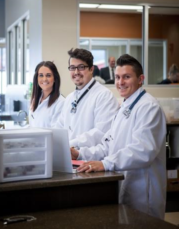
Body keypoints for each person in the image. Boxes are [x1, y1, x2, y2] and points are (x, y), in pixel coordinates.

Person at [71, 54, 166, 220]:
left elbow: (143, 151)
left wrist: (106, 163)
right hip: (126, 184)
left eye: (127, 77)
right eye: (117, 77)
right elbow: (108, 144)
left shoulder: (149, 107)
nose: (120, 82)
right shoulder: (125, 106)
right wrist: (79, 154)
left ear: (140, 79)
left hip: (144, 191)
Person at [56, 48, 119, 148]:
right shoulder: (69, 98)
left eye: (81, 67)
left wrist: (70, 145)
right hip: (69, 155)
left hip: (91, 159)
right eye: (72, 67)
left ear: (91, 69)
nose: (76, 72)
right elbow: (59, 127)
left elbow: (100, 133)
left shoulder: (104, 96)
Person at [29, 61, 64, 128]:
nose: (44, 79)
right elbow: (32, 125)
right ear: (37, 78)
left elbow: (56, 131)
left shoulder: (60, 102)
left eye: (48, 75)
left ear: (54, 79)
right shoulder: (35, 100)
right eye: (41, 75)